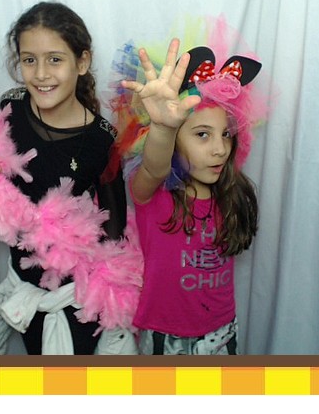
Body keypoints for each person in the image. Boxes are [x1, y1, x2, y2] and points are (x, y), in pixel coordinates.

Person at [0, 1, 130, 354]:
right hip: (22, 284)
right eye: (29, 60)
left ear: (82, 62)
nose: (41, 74)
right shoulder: (13, 107)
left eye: (55, 59)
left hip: (74, 300)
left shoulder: (101, 140)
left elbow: (115, 229)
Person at [109, 27, 263, 355]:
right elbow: (154, 166)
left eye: (225, 134)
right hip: (164, 337)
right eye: (202, 134)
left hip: (221, 333)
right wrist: (164, 127)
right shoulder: (153, 194)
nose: (220, 149)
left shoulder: (230, 194)